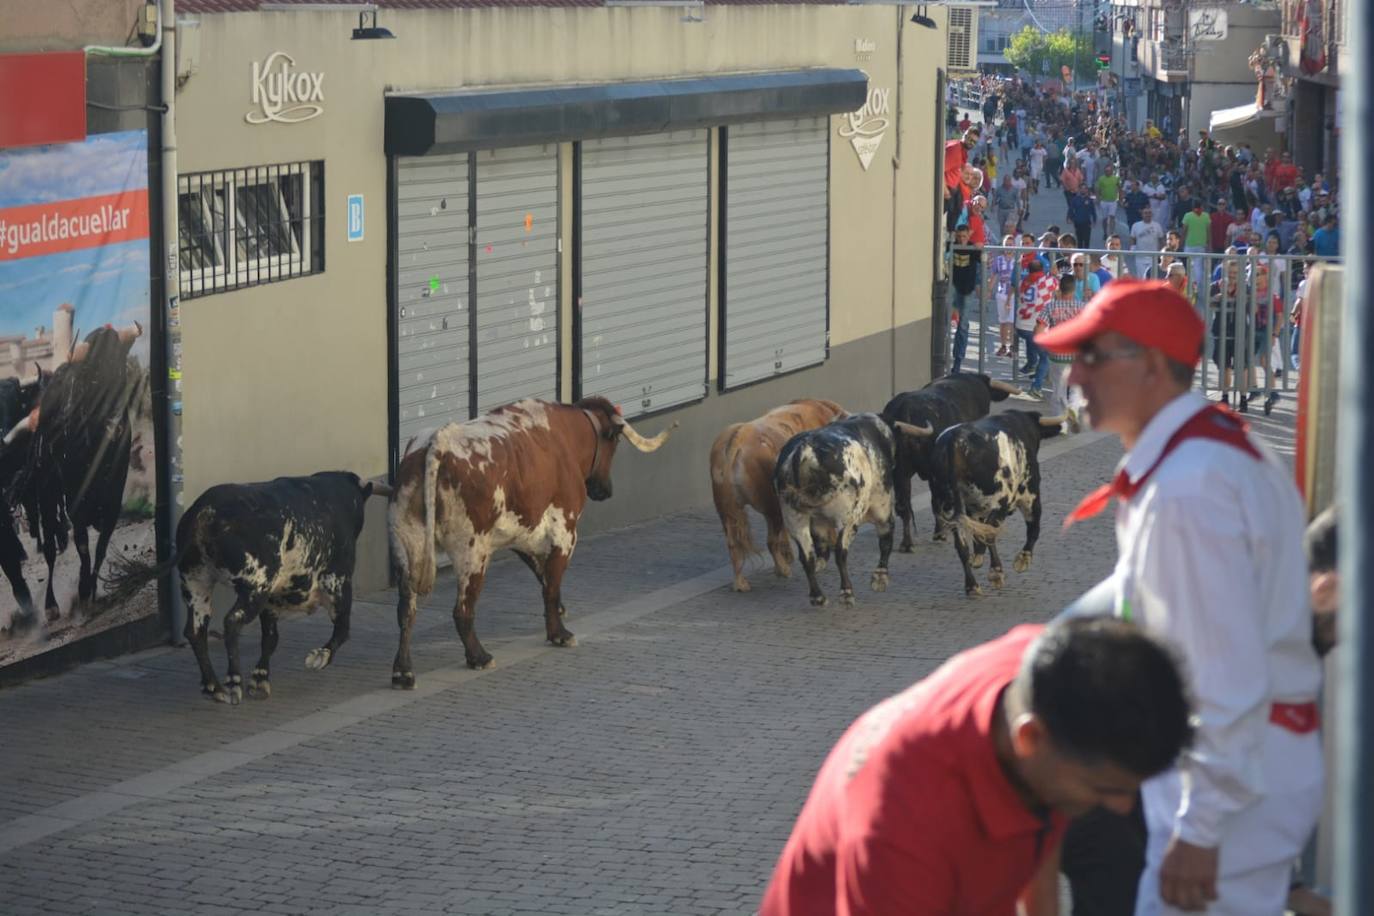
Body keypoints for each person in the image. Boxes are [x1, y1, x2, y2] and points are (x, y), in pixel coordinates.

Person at [1038, 280, 1324, 916]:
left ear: (1149, 364)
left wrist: (1199, 830)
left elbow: (1224, 676)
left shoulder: (1189, 491)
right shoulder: (1209, 455)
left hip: (1229, 789)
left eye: (1092, 356)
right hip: (1246, 773)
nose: (1074, 374)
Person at [759, 617, 1195, 916]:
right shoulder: (901, 828)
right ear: (1030, 739)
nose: (1121, 807)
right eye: (1103, 788)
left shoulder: (1047, 675)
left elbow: (1042, 825)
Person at [1015, 259, 1054, 397]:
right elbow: (1058, 284)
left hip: (1020, 325)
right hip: (1036, 327)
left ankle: (1031, 364)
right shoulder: (1046, 281)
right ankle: (1036, 387)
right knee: (1046, 357)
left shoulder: (1022, 281)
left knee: (1030, 341)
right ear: (1042, 270)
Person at [948, 224, 982, 373]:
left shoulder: (972, 249)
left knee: (963, 326)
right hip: (952, 287)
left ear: (968, 235)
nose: (961, 239)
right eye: (959, 236)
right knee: (947, 323)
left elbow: (984, 262)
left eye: (964, 236)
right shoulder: (951, 245)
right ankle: (946, 358)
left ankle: (958, 360)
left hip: (967, 290)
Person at [1130, 206, 1166, 279]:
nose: (1148, 215)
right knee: (1141, 278)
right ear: (1142, 214)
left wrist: (1162, 252)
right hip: (1140, 257)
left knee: (1152, 278)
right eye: (1145, 213)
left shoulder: (1157, 225)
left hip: (1153, 257)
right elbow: (1133, 239)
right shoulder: (1136, 225)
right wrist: (1132, 249)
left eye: (1149, 213)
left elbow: (1161, 240)